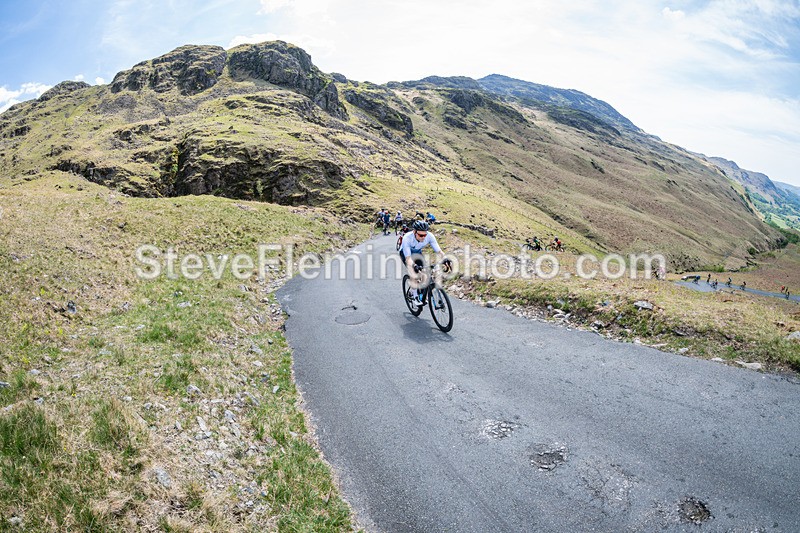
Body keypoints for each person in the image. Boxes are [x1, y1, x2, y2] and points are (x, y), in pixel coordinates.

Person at [399, 220, 450, 301]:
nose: (423, 237)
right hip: (405, 253)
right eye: (420, 235)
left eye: (425, 235)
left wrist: (445, 258)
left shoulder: (430, 236)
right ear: (414, 232)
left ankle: (422, 293)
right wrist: (414, 266)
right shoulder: (407, 238)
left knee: (425, 272)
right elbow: (408, 258)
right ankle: (414, 293)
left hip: (417, 252)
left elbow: (439, 251)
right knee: (414, 272)